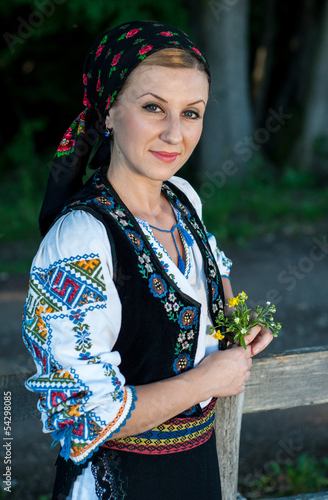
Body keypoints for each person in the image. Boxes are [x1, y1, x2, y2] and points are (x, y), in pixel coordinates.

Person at [22, 20, 273, 500]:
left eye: (192, 113)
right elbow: (84, 416)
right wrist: (208, 378)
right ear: (110, 112)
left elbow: (195, 307)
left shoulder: (182, 200)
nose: (175, 134)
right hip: (118, 485)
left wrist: (242, 323)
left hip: (196, 475)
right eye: (153, 107)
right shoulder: (80, 240)